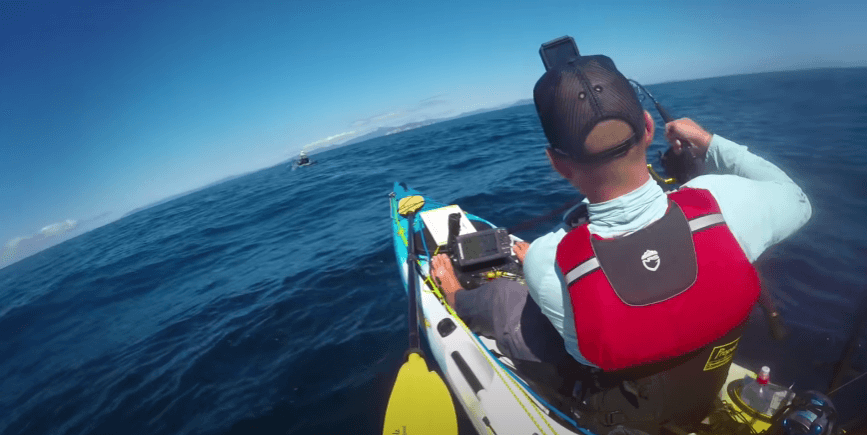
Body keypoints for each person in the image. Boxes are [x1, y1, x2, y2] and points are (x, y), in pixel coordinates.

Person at [520, 54, 812, 434]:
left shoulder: (547, 259)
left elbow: (584, 352)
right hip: (703, 390)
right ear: (647, 127)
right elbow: (796, 198)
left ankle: (456, 293)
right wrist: (708, 142)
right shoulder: (723, 200)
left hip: (630, 413)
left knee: (509, 308)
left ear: (557, 163)